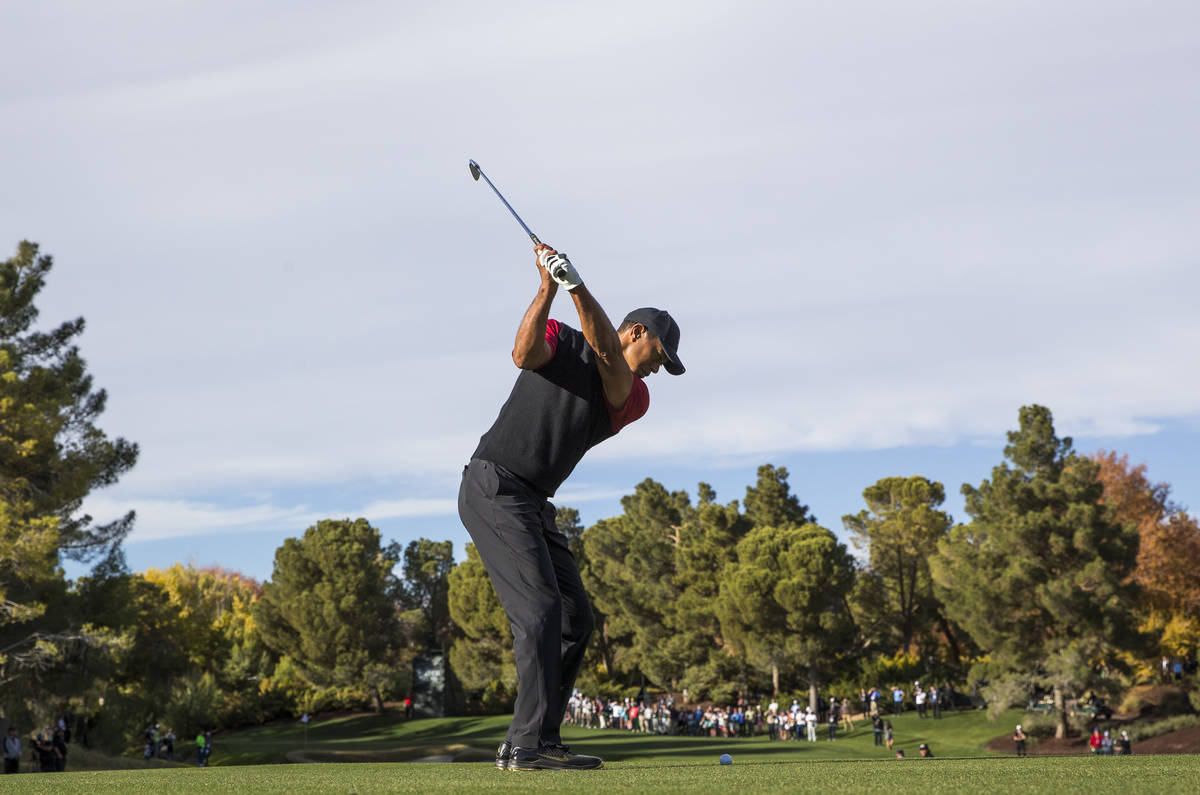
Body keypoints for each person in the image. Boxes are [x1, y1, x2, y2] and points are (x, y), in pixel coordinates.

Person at [459, 243, 684, 773]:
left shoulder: (633, 397)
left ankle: (545, 738)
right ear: (636, 333)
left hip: (533, 501)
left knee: (575, 619)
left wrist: (577, 285)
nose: (658, 370)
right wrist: (547, 288)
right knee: (538, 611)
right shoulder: (562, 338)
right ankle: (523, 746)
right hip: (494, 484)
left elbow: (609, 361)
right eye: (660, 355)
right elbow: (522, 354)